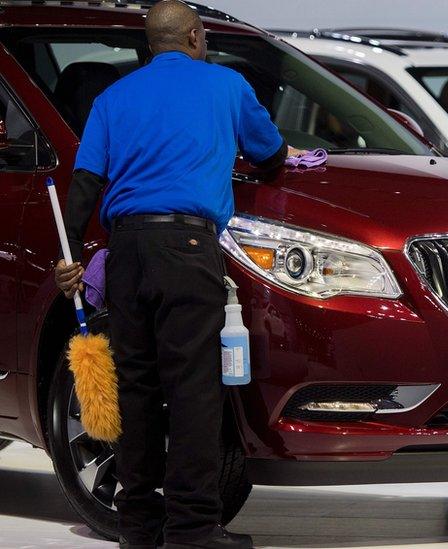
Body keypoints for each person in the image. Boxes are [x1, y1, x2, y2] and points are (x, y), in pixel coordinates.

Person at [53, 2, 300, 547]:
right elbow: (272, 153)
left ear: (150, 44)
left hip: (126, 253)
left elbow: (85, 182)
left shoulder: (113, 97)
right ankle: (192, 530)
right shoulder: (225, 85)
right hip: (187, 248)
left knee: (136, 390)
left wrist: (67, 257)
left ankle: (137, 526)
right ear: (194, 36)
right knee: (193, 392)